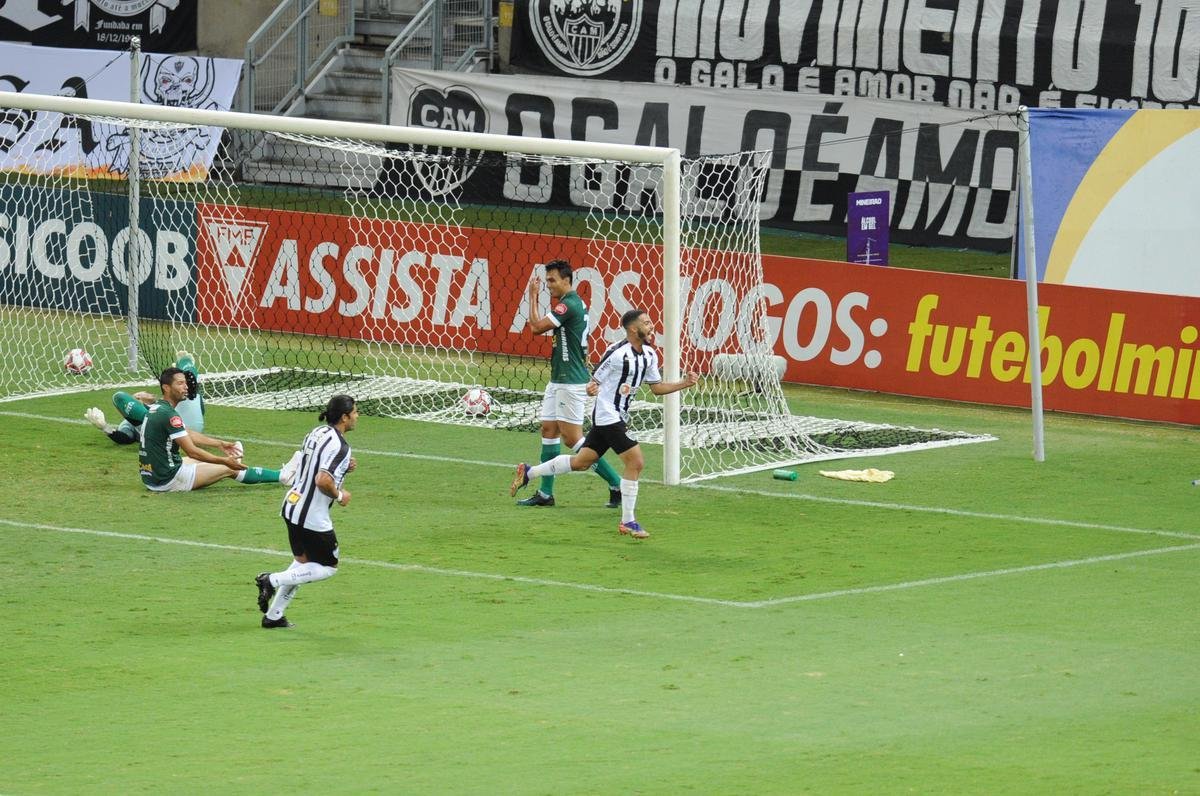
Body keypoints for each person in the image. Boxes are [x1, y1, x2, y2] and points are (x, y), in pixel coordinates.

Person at [510, 308, 699, 539]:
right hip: (608, 415)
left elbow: (657, 388)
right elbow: (595, 380)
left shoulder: (650, 355)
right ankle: (628, 521)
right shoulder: (617, 354)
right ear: (633, 329)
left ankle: (530, 472)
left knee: (582, 462)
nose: (652, 327)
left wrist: (683, 383)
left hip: (617, 416)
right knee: (636, 462)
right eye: (647, 323)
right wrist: (592, 388)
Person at [518, 258, 623, 508]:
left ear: (566, 280)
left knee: (573, 439)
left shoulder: (570, 305)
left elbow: (536, 328)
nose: (549, 285)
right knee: (549, 430)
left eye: (552, 280)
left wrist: (532, 297)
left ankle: (616, 483)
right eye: (547, 281)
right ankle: (545, 494)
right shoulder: (571, 304)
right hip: (559, 379)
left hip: (571, 381)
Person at [255, 394, 358, 629]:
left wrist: (344, 466)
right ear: (344, 417)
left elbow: (310, 464)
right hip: (312, 515)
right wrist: (340, 496)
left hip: (292, 505)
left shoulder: (316, 432)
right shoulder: (341, 446)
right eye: (355, 412)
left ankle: (274, 616)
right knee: (328, 568)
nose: (357, 416)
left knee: (303, 564)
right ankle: (272, 579)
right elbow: (322, 480)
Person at [138, 366, 301, 493]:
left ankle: (226, 464)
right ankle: (283, 475)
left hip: (151, 475)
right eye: (180, 383)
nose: (186, 387)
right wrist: (224, 461)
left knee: (204, 461)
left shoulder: (158, 408)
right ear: (166, 388)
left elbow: (188, 434)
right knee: (229, 469)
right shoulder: (169, 414)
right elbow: (192, 451)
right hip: (168, 479)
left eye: (185, 383)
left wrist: (219, 444)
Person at [85, 351, 205, 444]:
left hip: (187, 425)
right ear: (138, 399)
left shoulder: (166, 403)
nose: (146, 393)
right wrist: (105, 427)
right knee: (119, 396)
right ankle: (185, 362)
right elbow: (126, 438)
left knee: (187, 385)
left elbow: (199, 407)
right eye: (142, 394)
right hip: (170, 433)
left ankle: (184, 363)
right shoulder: (129, 422)